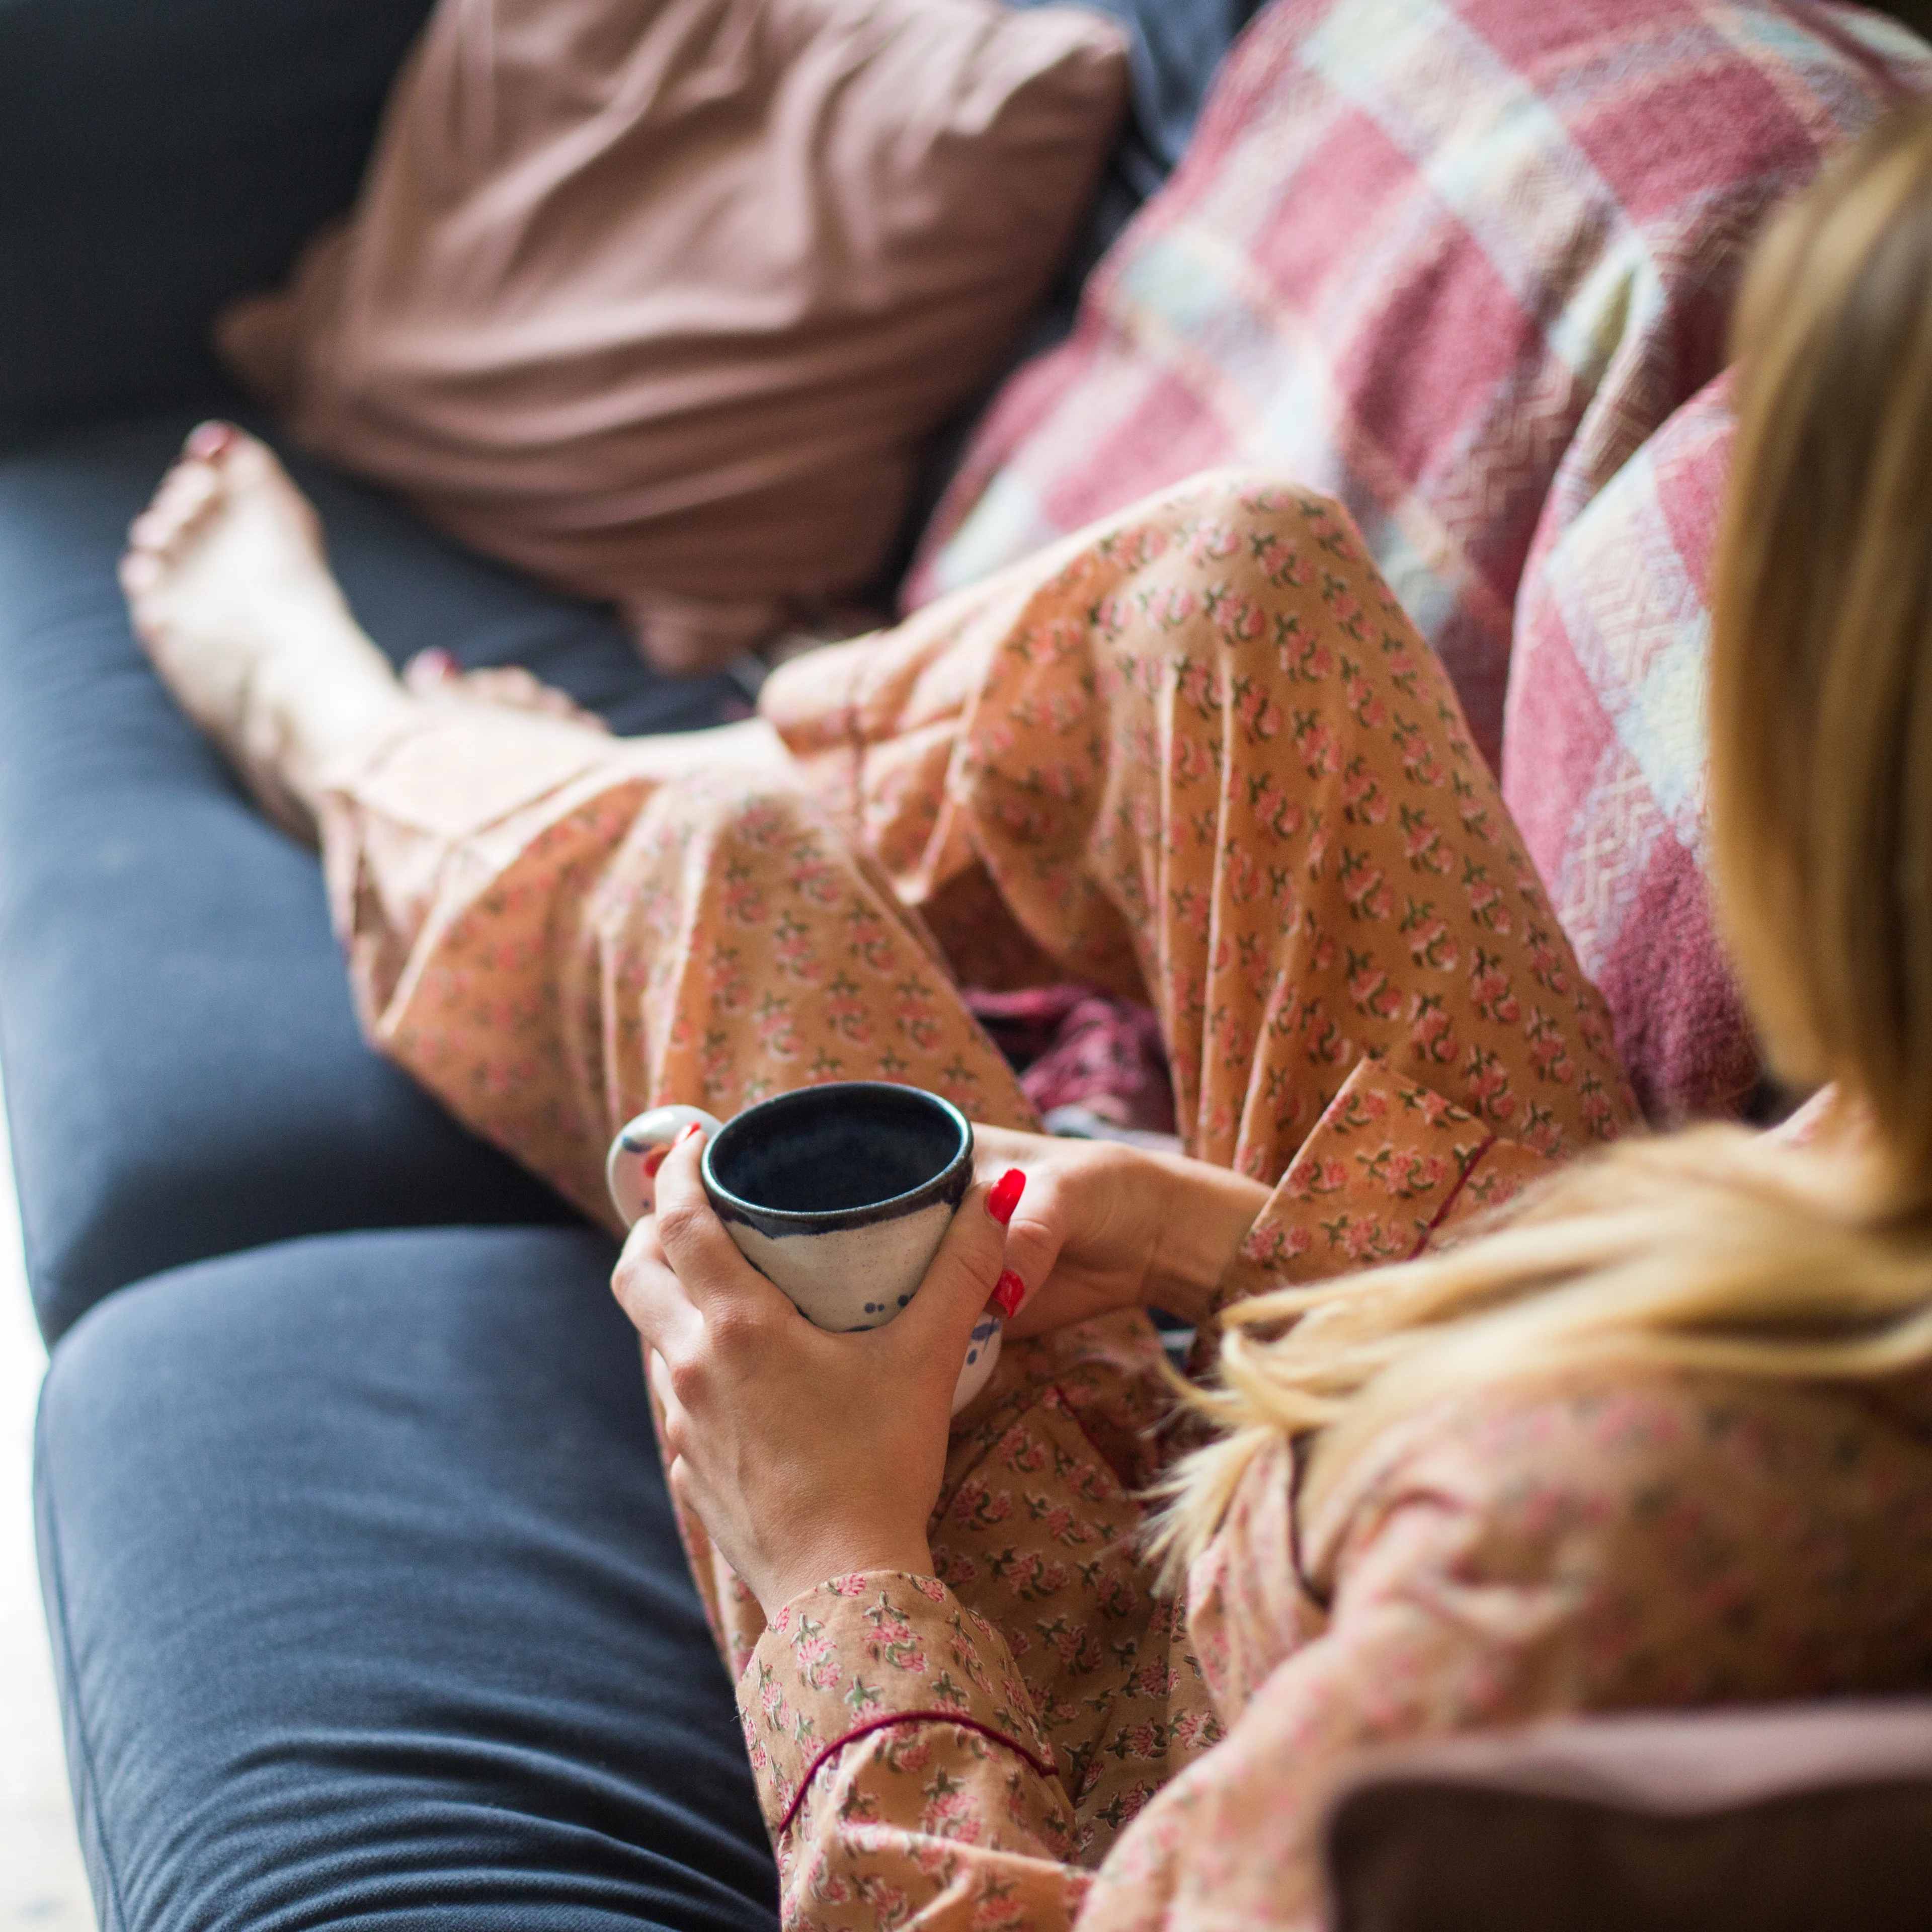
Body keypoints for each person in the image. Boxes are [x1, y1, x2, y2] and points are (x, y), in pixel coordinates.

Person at [117, 101, 1932, 1930]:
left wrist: (829, 1550)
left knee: (710, 872)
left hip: (1195, 1721)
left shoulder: (1598, 1554)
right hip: (1463, 1387)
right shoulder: (1883, 1134)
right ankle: (552, 788)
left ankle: (356, 747)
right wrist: (1229, 1243)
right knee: (1234, 593)